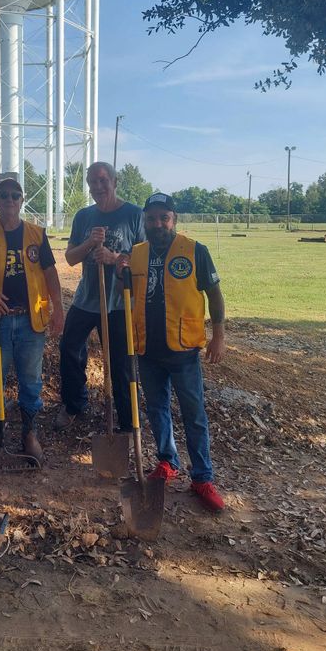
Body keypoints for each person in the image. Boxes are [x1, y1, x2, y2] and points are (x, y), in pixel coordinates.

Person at [117, 192, 226, 512]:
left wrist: (218, 336)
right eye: (151, 218)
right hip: (148, 349)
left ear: (174, 220)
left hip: (183, 350)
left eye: (164, 217)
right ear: (144, 222)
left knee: (194, 416)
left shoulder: (195, 251)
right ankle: (167, 461)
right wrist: (117, 268)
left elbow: (215, 295)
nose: (157, 223)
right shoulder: (136, 253)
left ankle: (203, 477)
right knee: (157, 410)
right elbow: (128, 290)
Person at [0, 178, 64, 464]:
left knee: (31, 380)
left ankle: (29, 433)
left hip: (30, 320)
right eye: (4, 196)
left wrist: (58, 308)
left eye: (15, 196)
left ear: (22, 201)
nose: (9, 200)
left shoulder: (35, 234)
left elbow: (49, 273)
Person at [56, 161, 145, 433]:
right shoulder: (83, 216)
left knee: (120, 361)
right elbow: (71, 258)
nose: (97, 186)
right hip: (87, 299)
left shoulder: (134, 214)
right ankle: (74, 406)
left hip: (118, 302)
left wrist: (115, 257)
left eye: (103, 180)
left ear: (115, 182)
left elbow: (143, 258)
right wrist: (90, 243)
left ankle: (128, 421)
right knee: (69, 348)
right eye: (92, 182)